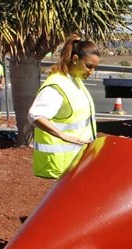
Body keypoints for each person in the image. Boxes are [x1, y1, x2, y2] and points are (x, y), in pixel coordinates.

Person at [28, 35, 101, 179]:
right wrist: (62, 135)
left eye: (95, 68)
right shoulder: (57, 85)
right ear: (75, 59)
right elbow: (35, 115)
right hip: (61, 164)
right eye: (89, 66)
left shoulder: (75, 80)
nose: (91, 72)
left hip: (75, 162)